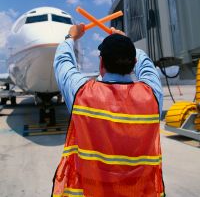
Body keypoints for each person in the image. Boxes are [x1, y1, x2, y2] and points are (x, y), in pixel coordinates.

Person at [52, 23, 165, 197]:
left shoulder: (82, 93)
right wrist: (126, 41)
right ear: (134, 62)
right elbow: (148, 67)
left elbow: (62, 63)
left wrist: (70, 38)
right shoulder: (152, 95)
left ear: (101, 62)